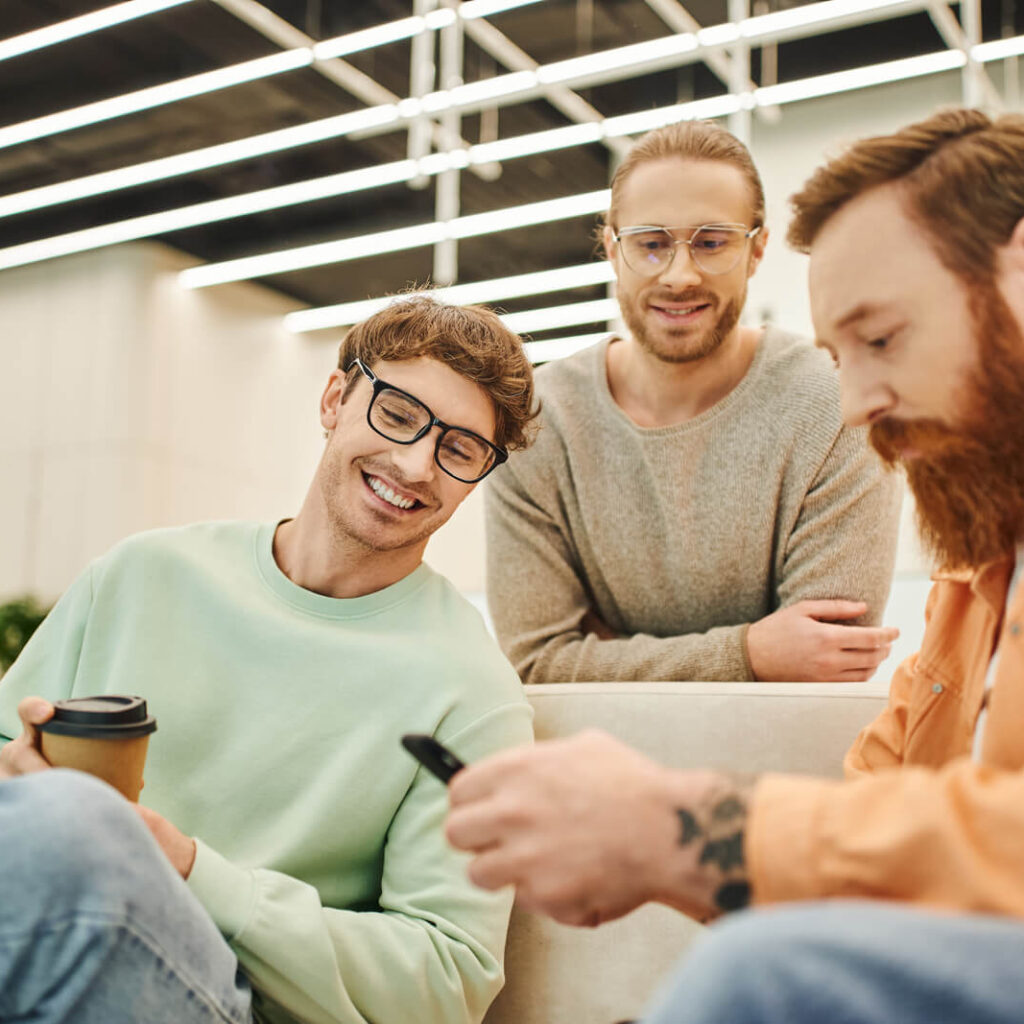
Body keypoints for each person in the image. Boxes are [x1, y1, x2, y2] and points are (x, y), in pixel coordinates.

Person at [445, 107, 1024, 1024]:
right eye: (839, 356)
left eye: (881, 339)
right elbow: (878, 795)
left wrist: (686, 832)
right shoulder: (974, 585)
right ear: (611, 248)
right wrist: (683, 849)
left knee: (759, 970)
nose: (854, 407)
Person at [0, 296, 538, 1024]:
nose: (416, 464)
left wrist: (186, 867)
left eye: (461, 450)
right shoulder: (141, 574)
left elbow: (449, 979)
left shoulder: (472, 694)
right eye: (399, 414)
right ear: (335, 399)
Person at [485, 119, 902, 684]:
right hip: (589, 746)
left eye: (711, 243)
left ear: (756, 250)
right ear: (612, 250)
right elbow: (536, 664)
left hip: (786, 746)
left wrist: (607, 656)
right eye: (651, 244)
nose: (680, 276)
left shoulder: (836, 404)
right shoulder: (538, 421)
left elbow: (827, 662)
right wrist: (749, 653)